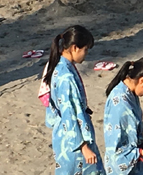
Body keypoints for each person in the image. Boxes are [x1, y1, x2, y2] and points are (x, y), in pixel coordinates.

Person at [43, 25, 105, 175]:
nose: (86, 54)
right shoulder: (66, 77)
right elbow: (69, 114)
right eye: (86, 49)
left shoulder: (58, 66)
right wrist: (83, 146)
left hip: (64, 135)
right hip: (74, 142)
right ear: (75, 48)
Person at [104, 57, 143, 175]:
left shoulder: (130, 95)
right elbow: (117, 151)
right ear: (142, 81)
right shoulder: (121, 105)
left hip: (135, 159)